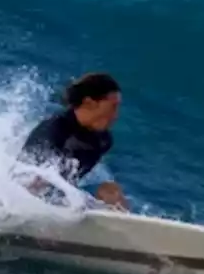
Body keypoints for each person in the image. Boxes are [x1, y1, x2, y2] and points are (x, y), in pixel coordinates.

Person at [16, 71, 129, 210]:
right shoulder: (53, 131)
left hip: (63, 200)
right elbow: (27, 180)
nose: (116, 116)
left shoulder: (103, 140)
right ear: (89, 103)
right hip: (26, 199)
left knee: (111, 189)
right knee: (39, 181)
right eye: (113, 107)